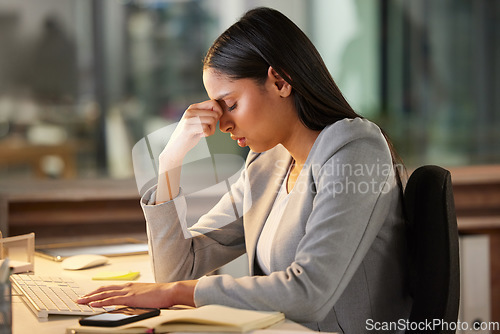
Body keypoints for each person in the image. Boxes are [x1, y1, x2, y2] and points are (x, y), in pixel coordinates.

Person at [78, 7, 412, 333]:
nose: (222, 123)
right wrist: (170, 160)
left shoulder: (357, 151)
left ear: (280, 82)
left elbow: (310, 293)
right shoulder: (267, 164)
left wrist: (181, 294)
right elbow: (177, 268)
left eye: (231, 104)